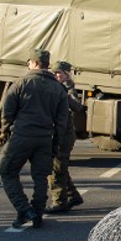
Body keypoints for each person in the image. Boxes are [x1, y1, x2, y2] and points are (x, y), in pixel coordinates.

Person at [0, 50, 68, 228]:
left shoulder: (21, 83)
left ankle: (24, 209)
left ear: (35, 63)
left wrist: (4, 132)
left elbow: (8, 112)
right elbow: (62, 123)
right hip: (45, 137)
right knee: (40, 177)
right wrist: (55, 144)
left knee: (6, 170)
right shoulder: (58, 89)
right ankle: (37, 214)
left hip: (22, 136)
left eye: (29, 62)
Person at [45, 60, 85, 213]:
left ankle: (59, 202)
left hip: (64, 135)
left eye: (59, 73)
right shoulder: (57, 88)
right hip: (59, 133)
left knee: (57, 169)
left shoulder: (69, 91)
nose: (56, 75)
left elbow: (77, 106)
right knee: (60, 167)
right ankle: (72, 195)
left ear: (67, 75)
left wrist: (65, 96)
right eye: (54, 73)